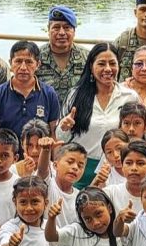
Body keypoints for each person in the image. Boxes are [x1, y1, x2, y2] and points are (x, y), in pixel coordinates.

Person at [56, 43, 140, 187]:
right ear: (91, 66)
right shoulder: (76, 95)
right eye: (101, 64)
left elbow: (137, 133)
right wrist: (64, 127)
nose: (107, 69)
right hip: (80, 168)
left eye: (112, 63)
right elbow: (61, 138)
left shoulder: (129, 97)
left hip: (115, 169)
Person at [0, 41, 60, 139]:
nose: (23, 67)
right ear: (10, 63)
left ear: (38, 64)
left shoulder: (49, 93)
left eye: (29, 62)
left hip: (39, 148)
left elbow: (54, 133)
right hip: (7, 148)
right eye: (18, 61)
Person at [37, 6, 88, 105]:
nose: (61, 33)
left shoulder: (87, 57)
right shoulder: (35, 58)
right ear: (48, 30)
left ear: (74, 31)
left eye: (67, 28)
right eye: (56, 27)